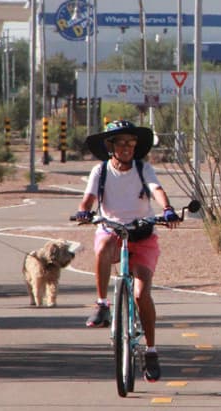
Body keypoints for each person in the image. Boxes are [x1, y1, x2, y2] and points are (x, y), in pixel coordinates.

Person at [74, 120, 178, 383]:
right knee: (104, 248)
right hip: (112, 230)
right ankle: (102, 305)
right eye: (121, 142)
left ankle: (151, 352)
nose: (127, 147)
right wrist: (84, 211)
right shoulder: (101, 171)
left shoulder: (144, 169)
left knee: (142, 293)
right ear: (111, 147)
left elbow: (157, 190)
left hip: (142, 235)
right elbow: (88, 198)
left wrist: (167, 210)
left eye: (131, 143)